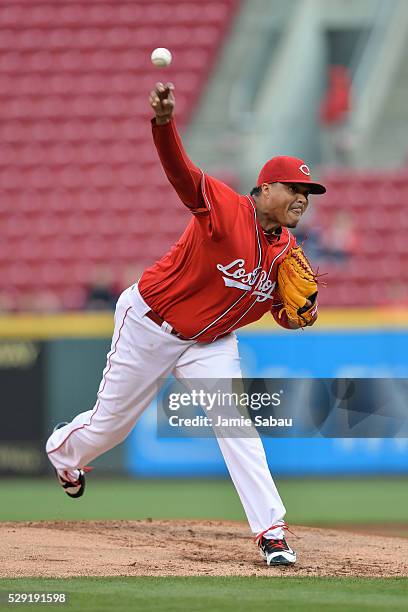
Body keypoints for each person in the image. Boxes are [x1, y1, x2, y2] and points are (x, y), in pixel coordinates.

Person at [46, 82, 327, 567]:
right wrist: (163, 122)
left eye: (308, 192)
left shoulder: (288, 255)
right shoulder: (223, 206)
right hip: (151, 325)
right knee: (111, 428)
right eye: (294, 188)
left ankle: (271, 531)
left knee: (236, 426)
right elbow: (180, 171)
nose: (303, 197)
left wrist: (301, 312)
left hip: (211, 343)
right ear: (263, 190)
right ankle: (63, 454)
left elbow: (285, 312)